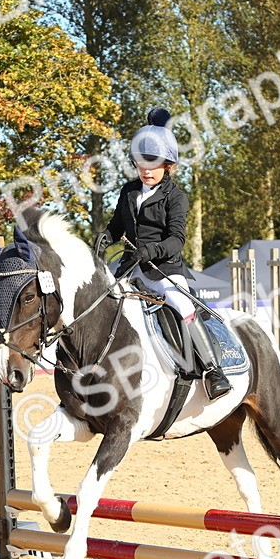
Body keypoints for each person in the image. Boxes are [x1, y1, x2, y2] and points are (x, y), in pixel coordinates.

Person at [96, 107, 231, 399]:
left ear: (167, 164)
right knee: (99, 301)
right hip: (129, 269)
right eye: (140, 162)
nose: (145, 169)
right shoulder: (128, 192)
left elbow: (177, 239)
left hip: (163, 271)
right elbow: (116, 225)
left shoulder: (176, 197)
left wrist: (151, 250)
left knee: (183, 307)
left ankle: (212, 371)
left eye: (152, 162)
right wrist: (106, 237)